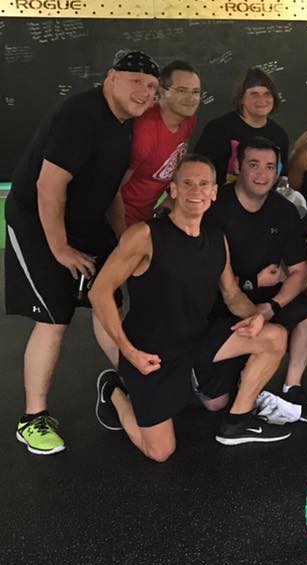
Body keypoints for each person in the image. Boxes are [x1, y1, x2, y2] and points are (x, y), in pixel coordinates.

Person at [89, 155, 293, 462]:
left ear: (214, 192)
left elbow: (232, 295)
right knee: (160, 452)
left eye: (203, 184)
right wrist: (129, 353)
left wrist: (255, 317)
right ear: (173, 190)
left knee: (275, 337)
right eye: (187, 183)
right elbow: (100, 292)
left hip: (196, 341)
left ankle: (237, 423)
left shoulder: (216, 239)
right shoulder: (145, 236)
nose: (195, 191)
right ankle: (114, 391)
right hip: (152, 354)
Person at [5, 50, 159, 455]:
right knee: (55, 318)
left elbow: (111, 192)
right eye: (137, 82)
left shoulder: (125, 125)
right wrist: (60, 249)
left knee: (108, 301)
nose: (145, 92)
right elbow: (49, 186)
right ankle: (32, 419)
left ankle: (132, 383)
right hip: (37, 223)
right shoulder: (80, 115)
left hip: (86, 223)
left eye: (152, 87)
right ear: (111, 77)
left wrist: (123, 239)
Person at [205, 137, 307, 417]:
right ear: (238, 167)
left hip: (266, 298)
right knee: (215, 403)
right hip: (219, 303)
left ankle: (292, 387)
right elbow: (210, 277)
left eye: (270, 167)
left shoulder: (284, 210)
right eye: (254, 165)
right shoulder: (215, 207)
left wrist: (270, 308)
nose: (262, 174)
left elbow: (300, 272)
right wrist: (251, 283)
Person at [116, 60, 201, 227]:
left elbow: (174, 164)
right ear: (162, 90)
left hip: (150, 216)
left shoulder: (189, 120)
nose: (191, 98)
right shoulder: (145, 133)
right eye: (182, 90)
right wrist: (123, 234)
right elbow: (112, 190)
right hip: (121, 218)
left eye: (196, 92)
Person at [194, 67, 289, 186]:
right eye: (254, 94)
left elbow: (281, 179)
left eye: (267, 94)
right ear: (241, 98)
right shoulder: (218, 129)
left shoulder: (279, 135)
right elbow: (197, 172)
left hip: (265, 197)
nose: (262, 99)